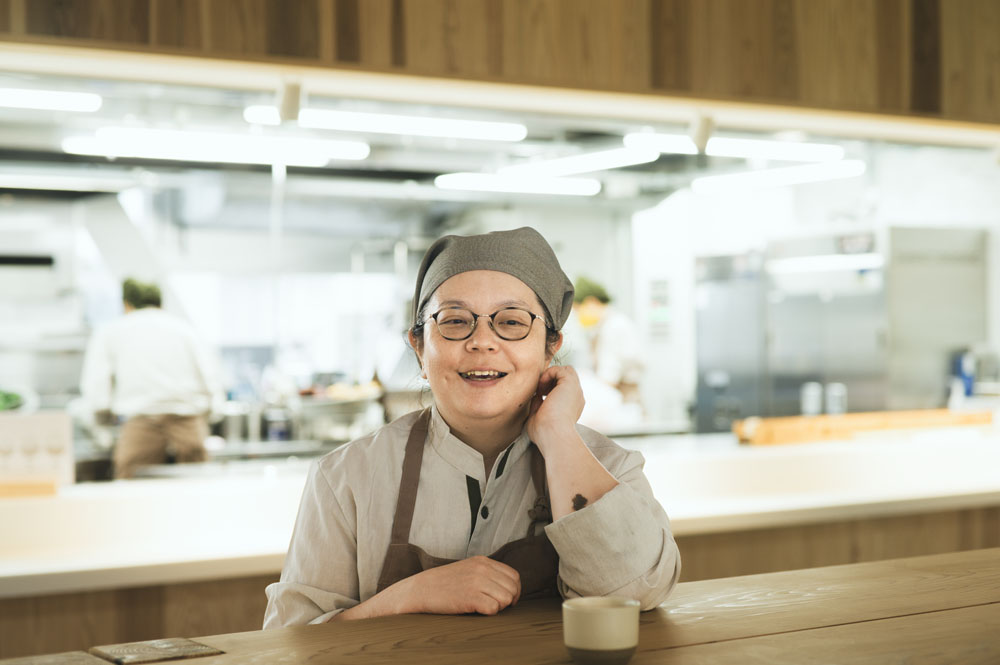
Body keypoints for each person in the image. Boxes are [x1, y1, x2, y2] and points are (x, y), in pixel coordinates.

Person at [263, 227, 680, 627]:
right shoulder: (345, 479)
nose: (482, 341)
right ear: (419, 347)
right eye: (455, 321)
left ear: (551, 347)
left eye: (513, 322)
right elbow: (291, 644)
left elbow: (637, 594)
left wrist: (557, 435)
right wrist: (412, 595)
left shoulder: (610, 469)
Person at [80, 278, 224, 479]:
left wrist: (102, 425)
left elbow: (97, 388)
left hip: (141, 424)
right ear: (159, 303)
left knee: (134, 492)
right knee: (195, 492)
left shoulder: (111, 331)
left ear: (127, 304)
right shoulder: (184, 329)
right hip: (188, 423)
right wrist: (210, 416)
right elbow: (211, 378)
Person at [571, 276, 645, 405]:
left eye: (578, 310)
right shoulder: (603, 326)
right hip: (618, 397)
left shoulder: (614, 327)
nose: (577, 316)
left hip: (624, 399)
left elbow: (609, 377)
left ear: (592, 302)